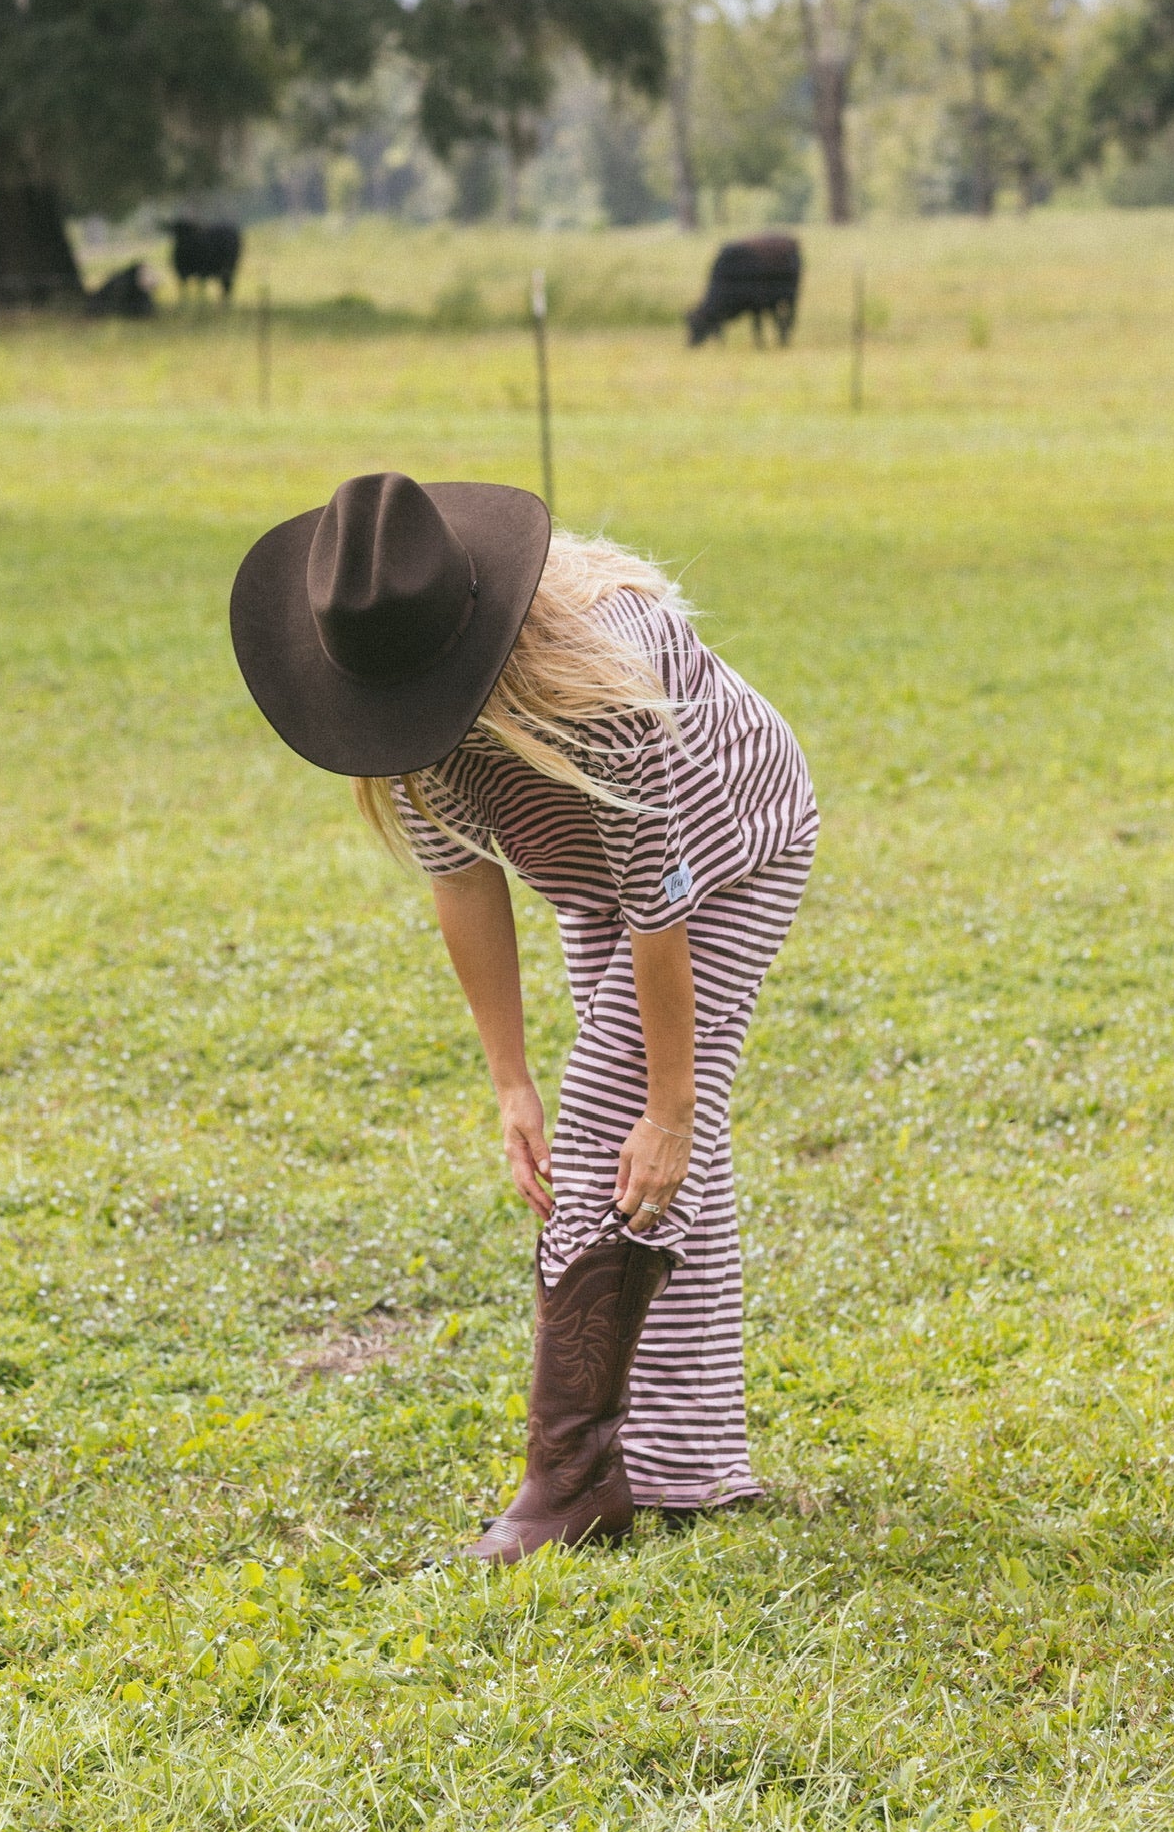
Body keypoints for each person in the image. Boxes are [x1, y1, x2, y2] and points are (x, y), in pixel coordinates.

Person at [230, 472, 816, 1561]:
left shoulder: (611, 687)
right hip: (591, 878)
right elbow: (462, 881)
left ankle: (571, 1482)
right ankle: (686, 1468)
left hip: (731, 850)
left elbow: (661, 902)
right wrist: (511, 1081)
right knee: (641, 1153)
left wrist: (675, 1104)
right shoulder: (397, 704)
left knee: (622, 1121)